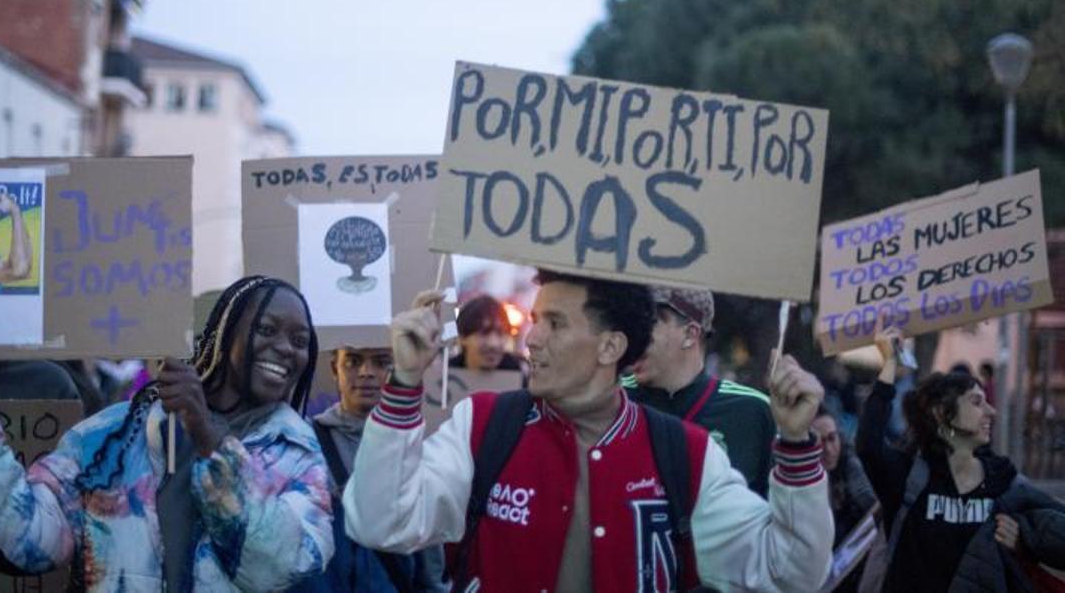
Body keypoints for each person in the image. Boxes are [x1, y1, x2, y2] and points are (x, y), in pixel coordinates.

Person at [344, 270, 833, 591]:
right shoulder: (484, 425)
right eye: (535, 320)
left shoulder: (685, 452)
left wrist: (795, 444)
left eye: (555, 323)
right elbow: (380, 522)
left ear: (609, 346)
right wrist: (405, 382)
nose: (531, 339)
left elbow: (790, 573)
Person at [0, 276, 334, 591]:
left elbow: (278, 567)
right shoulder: (114, 433)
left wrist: (210, 443)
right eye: (267, 329)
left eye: (300, 340)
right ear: (224, 334)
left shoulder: (297, 454)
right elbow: (27, 538)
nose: (286, 348)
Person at [858, 327, 1065, 592]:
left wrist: (1025, 538)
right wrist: (888, 363)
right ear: (943, 413)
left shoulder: (1003, 481)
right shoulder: (910, 478)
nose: (991, 411)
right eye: (977, 402)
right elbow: (868, 444)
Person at [296, 346, 448, 592]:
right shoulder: (305, 444)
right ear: (335, 369)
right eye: (353, 362)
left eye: (381, 362)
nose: (366, 372)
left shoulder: (416, 450)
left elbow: (429, 556)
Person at [625, 285, 776, 496]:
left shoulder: (755, 411)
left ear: (690, 334)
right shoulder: (609, 401)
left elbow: (782, 518)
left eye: (649, 322)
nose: (633, 334)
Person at [813, 406, 884, 593]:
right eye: (819, 442)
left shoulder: (850, 467)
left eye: (831, 438)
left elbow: (872, 506)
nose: (828, 449)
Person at [450, 294, 524, 373]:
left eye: (500, 334)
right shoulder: (445, 375)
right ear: (462, 337)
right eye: (483, 333)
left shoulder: (515, 373)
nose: (493, 344)